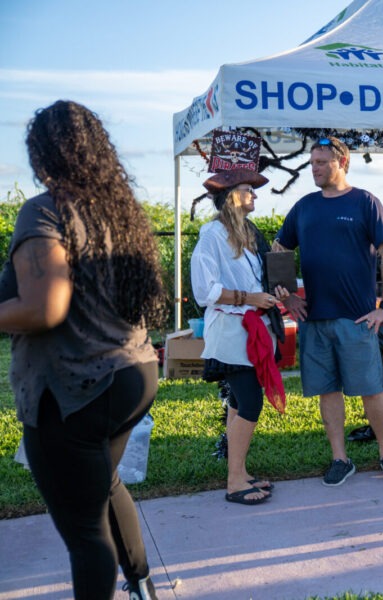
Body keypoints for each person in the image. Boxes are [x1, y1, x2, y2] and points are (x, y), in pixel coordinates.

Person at [0, 100, 166, 599]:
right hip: (134, 374)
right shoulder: (119, 211)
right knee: (105, 483)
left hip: (77, 389)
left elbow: (45, 307)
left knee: (85, 535)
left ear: (43, 153)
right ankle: (142, 587)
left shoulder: (45, 209)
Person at [273, 136, 383, 485]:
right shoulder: (304, 207)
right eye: (312, 163)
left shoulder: (365, 202)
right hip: (314, 320)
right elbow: (278, 248)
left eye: (321, 162)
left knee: (370, 388)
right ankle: (340, 458)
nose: (314, 169)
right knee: (327, 389)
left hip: (358, 318)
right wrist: (288, 298)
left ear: (342, 163)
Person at [190, 169, 291, 505]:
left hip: (252, 333)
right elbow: (206, 290)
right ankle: (234, 482)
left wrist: (272, 289)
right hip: (233, 334)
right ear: (233, 194)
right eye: (249, 189)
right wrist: (250, 299)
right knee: (250, 403)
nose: (255, 195)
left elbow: (255, 281)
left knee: (238, 402)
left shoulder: (248, 233)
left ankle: (241, 472)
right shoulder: (212, 234)